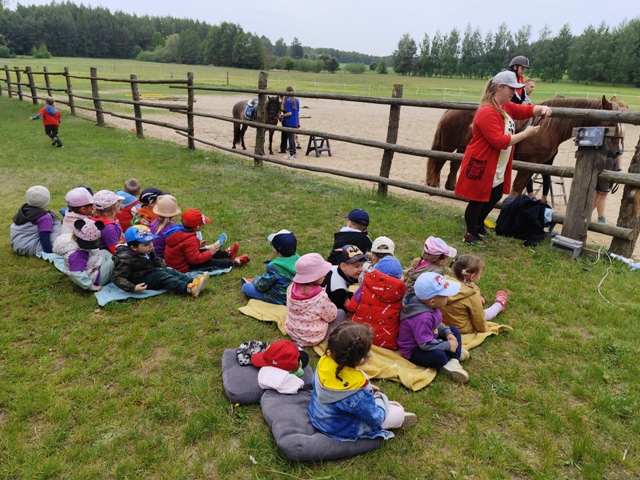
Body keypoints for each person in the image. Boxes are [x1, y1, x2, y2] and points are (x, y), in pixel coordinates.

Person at [454, 70, 553, 246]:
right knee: (478, 199)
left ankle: (478, 225)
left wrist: (542, 108)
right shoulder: (487, 111)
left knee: (495, 194)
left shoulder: (504, 107)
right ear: (499, 88)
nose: (514, 92)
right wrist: (526, 134)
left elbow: (525, 110)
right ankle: (470, 233)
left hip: (497, 163)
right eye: (511, 89)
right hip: (483, 161)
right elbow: (498, 141)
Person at [308, 322, 417, 441]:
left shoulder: (324, 361)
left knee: (364, 381)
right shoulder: (357, 392)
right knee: (397, 412)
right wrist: (381, 400)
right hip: (342, 429)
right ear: (360, 360)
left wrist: (366, 388)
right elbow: (376, 418)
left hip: (317, 416)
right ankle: (399, 417)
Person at [397, 272, 470, 383]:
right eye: (445, 296)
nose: (448, 298)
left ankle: (454, 360)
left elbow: (437, 324)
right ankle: (450, 357)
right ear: (432, 302)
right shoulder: (422, 318)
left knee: (453, 330)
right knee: (439, 357)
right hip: (415, 349)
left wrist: (447, 333)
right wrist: (447, 345)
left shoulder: (429, 306)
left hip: (429, 337)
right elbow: (425, 344)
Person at [112, 225, 210, 297]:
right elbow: (118, 277)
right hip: (138, 280)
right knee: (163, 277)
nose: (150, 246)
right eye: (146, 244)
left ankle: (193, 281)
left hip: (149, 271)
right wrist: (132, 288)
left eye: (151, 242)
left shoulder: (147, 250)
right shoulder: (126, 259)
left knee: (170, 271)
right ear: (134, 247)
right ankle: (188, 289)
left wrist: (164, 265)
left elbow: (155, 259)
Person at [346, 256, 406, 350]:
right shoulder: (402, 293)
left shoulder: (364, 287)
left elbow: (351, 307)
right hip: (387, 341)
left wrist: (346, 302)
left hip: (359, 335)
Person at [164, 208, 249, 273]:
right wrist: (210, 253)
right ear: (197, 227)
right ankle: (233, 263)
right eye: (203, 224)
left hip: (181, 261)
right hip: (183, 268)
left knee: (205, 250)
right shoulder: (190, 239)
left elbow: (185, 248)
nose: (203, 225)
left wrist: (198, 245)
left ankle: (227, 254)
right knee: (209, 261)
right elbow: (195, 260)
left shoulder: (179, 230)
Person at [440, 254, 508, 334]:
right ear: (472, 277)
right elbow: (479, 318)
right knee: (484, 314)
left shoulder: (443, 281)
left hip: (442, 325)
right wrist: (484, 329)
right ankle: (499, 305)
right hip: (462, 329)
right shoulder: (472, 294)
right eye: (479, 273)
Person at [284, 253, 340, 347]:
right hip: (312, 338)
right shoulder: (320, 297)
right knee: (341, 313)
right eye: (322, 273)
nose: (325, 274)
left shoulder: (291, 288)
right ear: (314, 277)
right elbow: (331, 316)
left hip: (293, 331)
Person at [53, 218, 114, 292]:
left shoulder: (73, 240)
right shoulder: (77, 254)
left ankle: (110, 267)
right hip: (94, 279)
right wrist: (90, 286)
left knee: (104, 252)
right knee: (114, 260)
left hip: (92, 267)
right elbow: (76, 274)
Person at [241, 229, 300, 305]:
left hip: (278, 299)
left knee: (246, 287)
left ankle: (253, 281)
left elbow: (262, 286)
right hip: (295, 296)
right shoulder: (299, 259)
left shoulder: (274, 266)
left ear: (275, 250)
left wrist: (255, 280)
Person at [10, 185, 61, 255]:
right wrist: (49, 251)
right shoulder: (45, 217)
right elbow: (44, 236)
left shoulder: (24, 210)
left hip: (16, 244)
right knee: (57, 228)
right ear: (47, 201)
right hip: (29, 247)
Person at [322, 245, 366, 318]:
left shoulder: (336, 268)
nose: (361, 269)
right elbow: (343, 309)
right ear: (343, 266)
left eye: (362, 265)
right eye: (357, 266)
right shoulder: (338, 290)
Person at [92, 190, 125, 254]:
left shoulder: (96, 219)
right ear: (115, 207)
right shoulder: (109, 228)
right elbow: (116, 250)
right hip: (109, 256)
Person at [149, 195, 181, 259]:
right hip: (165, 259)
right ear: (173, 215)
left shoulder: (153, 224)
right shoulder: (172, 229)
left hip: (153, 257)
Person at [279, 85, 300, 159]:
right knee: (292, 137)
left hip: (289, 122)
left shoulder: (288, 101)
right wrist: (298, 122)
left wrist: (282, 115)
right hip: (295, 121)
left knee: (290, 138)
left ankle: (291, 153)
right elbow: (297, 112)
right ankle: (294, 152)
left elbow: (289, 113)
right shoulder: (297, 100)